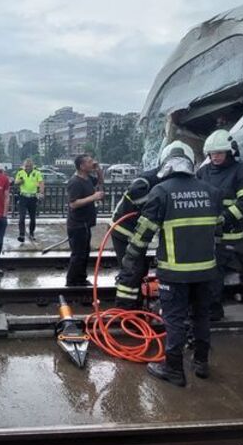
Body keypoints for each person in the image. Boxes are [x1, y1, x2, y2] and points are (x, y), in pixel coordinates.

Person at [114, 141, 222, 387]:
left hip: (174, 273)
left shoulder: (161, 192)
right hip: (207, 270)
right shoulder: (212, 191)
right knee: (201, 316)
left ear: (165, 163)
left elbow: (143, 236)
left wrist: (130, 265)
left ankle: (173, 369)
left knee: (174, 319)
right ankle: (201, 363)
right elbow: (218, 231)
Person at [197, 129, 243, 320]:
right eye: (212, 153)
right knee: (203, 270)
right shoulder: (203, 171)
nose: (215, 157)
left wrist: (224, 218)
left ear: (230, 152)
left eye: (219, 153)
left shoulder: (242, 172)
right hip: (205, 232)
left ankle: (213, 310)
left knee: (215, 272)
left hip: (228, 233)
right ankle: (203, 307)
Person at [109, 164, 162, 307]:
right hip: (124, 231)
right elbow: (135, 193)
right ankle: (126, 308)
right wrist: (151, 205)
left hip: (137, 232)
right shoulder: (147, 180)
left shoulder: (161, 178)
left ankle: (137, 301)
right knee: (132, 268)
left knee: (140, 267)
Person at [66, 154, 105, 286]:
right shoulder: (75, 182)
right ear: (82, 166)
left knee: (85, 253)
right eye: (89, 162)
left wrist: (98, 169)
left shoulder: (87, 178)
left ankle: (81, 278)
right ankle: (71, 281)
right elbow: (73, 204)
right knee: (78, 254)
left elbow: (100, 181)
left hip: (85, 224)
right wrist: (93, 197)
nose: (92, 162)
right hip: (77, 224)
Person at [14, 158, 45, 242]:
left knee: (33, 218)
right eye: (26, 166)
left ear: (32, 166)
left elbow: (41, 183)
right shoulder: (20, 172)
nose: (28, 167)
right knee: (22, 217)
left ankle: (31, 233)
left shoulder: (37, 173)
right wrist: (20, 181)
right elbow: (16, 182)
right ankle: (22, 234)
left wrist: (41, 192)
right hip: (23, 197)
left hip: (33, 197)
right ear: (24, 166)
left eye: (29, 166)